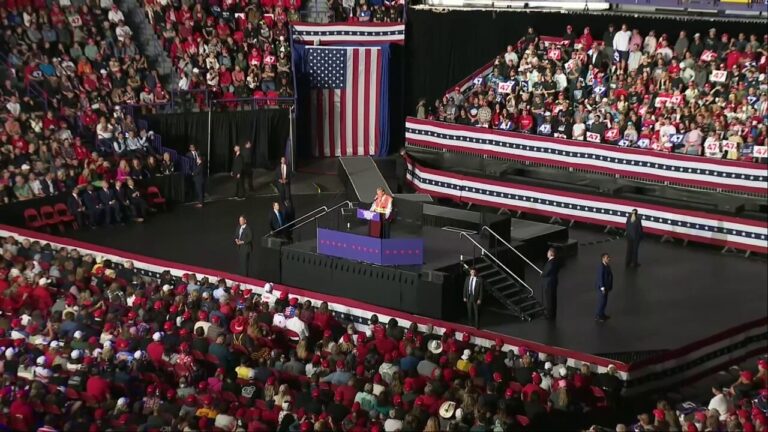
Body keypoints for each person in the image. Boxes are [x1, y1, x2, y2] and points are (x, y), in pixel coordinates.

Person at [541, 248, 560, 320]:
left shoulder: (550, 262)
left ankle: (550, 314)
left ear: (551, 253)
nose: (547, 253)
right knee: (553, 299)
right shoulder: (556, 261)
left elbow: (546, 272)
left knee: (549, 299)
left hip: (549, 283)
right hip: (554, 281)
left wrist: (542, 274)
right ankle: (553, 313)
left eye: (548, 252)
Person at [595, 253, 613, 322]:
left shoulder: (607, 265)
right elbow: (600, 278)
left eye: (609, 257)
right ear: (603, 258)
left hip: (607, 287)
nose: (609, 258)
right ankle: (598, 315)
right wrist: (602, 288)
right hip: (602, 288)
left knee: (604, 302)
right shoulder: (601, 267)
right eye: (607, 257)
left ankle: (602, 314)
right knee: (601, 302)